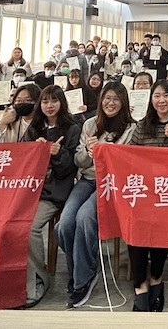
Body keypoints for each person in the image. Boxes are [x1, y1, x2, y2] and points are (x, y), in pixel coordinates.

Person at [60, 81, 136, 307]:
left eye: (116, 99)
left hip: (110, 183)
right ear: (101, 100)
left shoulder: (131, 128)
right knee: (64, 224)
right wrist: (88, 152)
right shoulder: (89, 124)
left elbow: (127, 163)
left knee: (85, 218)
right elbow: (79, 161)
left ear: (123, 102)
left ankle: (82, 279)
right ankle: (82, 267)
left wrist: (111, 153)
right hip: (87, 180)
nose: (111, 103)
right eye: (107, 98)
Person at [128, 80, 168, 311]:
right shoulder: (142, 125)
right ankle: (140, 285)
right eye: (157, 95)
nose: (161, 100)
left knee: (162, 223)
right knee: (136, 225)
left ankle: (156, 277)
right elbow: (129, 155)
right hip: (144, 190)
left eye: (166, 95)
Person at [21, 85, 82, 307]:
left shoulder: (72, 128)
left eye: (54, 100)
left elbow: (70, 168)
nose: (49, 105)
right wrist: (32, 149)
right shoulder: (34, 127)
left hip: (54, 191)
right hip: (29, 190)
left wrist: (57, 154)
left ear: (61, 103)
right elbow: (21, 159)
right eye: (45, 101)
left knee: (29, 228)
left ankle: (38, 279)